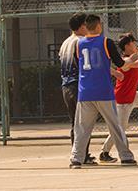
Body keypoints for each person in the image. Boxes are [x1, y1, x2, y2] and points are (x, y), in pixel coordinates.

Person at [69, 14, 138, 169]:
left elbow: (81, 64)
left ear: (86, 27)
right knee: (115, 126)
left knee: (82, 128)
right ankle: (126, 157)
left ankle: (76, 159)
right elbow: (120, 63)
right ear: (99, 25)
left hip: (85, 92)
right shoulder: (106, 42)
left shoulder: (79, 44)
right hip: (103, 92)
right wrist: (132, 59)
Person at [99, 14, 138, 163]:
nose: (136, 45)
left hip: (132, 95)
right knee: (120, 129)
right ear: (127, 46)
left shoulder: (132, 54)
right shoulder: (127, 60)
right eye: (133, 44)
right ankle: (104, 152)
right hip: (123, 99)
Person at [59, 13, 96, 165]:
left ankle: (79, 153)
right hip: (78, 85)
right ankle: (82, 155)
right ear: (82, 26)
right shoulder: (81, 42)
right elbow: (85, 64)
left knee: (75, 122)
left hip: (66, 85)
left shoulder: (65, 42)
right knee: (83, 122)